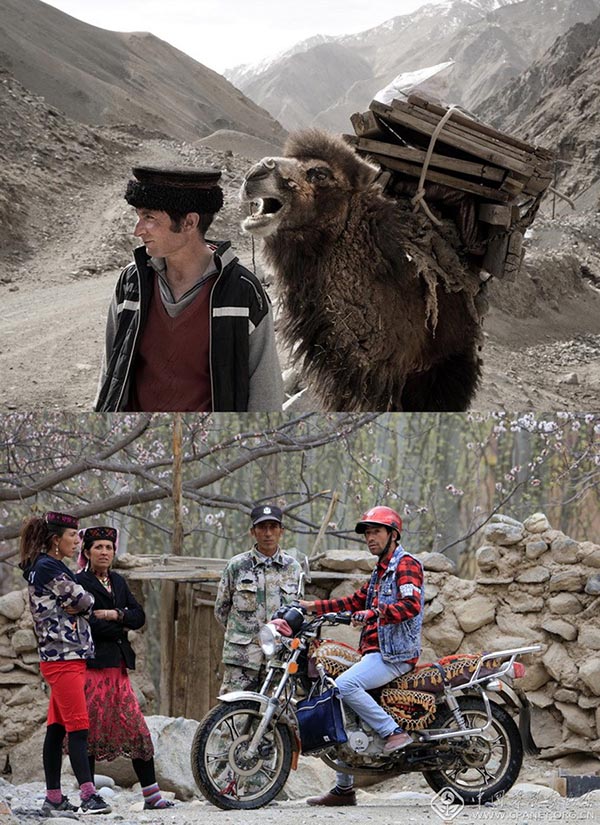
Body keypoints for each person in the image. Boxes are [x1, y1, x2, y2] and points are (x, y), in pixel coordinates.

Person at [94, 165, 284, 412]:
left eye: (149, 218)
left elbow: (266, 396)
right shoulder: (132, 282)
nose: (137, 230)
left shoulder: (243, 293)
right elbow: (110, 373)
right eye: (138, 217)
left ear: (189, 222)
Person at [299, 505, 424, 807]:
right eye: (367, 533)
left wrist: (375, 613)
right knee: (337, 699)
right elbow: (356, 600)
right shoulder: (380, 571)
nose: (370, 538)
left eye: (376, 531)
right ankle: (344, 789)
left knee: (344, 686)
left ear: (393, 535)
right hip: (373, 653)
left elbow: (411, 605)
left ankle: (393, 732)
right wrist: (314, 607)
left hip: (394, 655)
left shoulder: (406, 564)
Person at [75, 526, 175, 810]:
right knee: (89, 732)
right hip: (93, 668)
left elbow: (139, 616)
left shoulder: (118, 581)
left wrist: (114, 614)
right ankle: (89, 797)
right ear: (87, 552)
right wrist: (121, 625)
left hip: (118, 670)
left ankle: (152, 796)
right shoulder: (79, 582)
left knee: (137, 730)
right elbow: (89, 624)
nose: (104, 552)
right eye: (98, 547)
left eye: (108, 547)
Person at [19, 511, 111, 815]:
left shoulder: (49, 566)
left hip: (65, 656)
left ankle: (54, 798)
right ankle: (89, 796)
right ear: (55, 539)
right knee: (78, 727)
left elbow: (78, 602)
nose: (77, 541)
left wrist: (78, 603)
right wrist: (82, 603)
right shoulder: (48, 567)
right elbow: (84, 601)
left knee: (57, 728)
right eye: (73, 536)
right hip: (63, 657)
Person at [214, 505, 302, 692]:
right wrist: (245, 635)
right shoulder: (237, 566)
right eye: (262, 527)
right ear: (252, 532)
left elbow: (298, 611)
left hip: (278, 658)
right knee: (235, 708)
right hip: (243, 658)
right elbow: (221, 610)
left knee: (277, 708)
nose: (268, 533)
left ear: (281, 531)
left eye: (273, 527)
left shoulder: (293, 568)